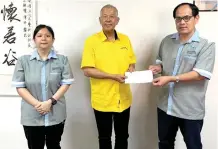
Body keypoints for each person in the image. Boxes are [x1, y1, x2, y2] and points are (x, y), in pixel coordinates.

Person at [149, 3, 215, 149]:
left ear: (196, 18)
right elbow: (161, 63)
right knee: (165, 144)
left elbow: (200, 74)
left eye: (186, 18)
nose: (182, 22)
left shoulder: (206, 45)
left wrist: (171, 78)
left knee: (193, 146)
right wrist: (157, 68)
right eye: (178, 19)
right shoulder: (167, 41)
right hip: (165, 107)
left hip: (190, 109)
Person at [81, 4, 136, 149]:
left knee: (123, 136)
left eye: (112, 16)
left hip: (123, 99)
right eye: (104, 16)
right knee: (104, 138)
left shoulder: (125, 39)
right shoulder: (91, 41)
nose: (108, 20)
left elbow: (132, 62)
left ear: (117, 20)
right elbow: (87, 70)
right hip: (102, 99)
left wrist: (131, 68)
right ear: (100, 20)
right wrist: (112, 76)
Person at [12, 24, 74, 149]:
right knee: (34, 146)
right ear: (34, 39)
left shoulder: (62, 60)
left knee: (54, 145)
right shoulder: (23, 61)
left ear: (53, 39)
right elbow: (20, 87)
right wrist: (38, 104)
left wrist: (50, 102)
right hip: (32, 114)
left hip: (56, 113)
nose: (44, 38)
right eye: (39, 36)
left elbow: (66, 83)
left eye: (47, 36)